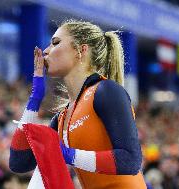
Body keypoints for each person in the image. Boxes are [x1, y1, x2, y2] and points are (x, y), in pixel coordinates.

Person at [9, 19, 147, 188]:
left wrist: (68, 154)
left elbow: (131, 160)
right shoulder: (62, 117)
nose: (45, 51)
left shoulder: (106, 91)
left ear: (81, 50)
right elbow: (19, 162)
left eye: (55, 43)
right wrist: (35, 97)